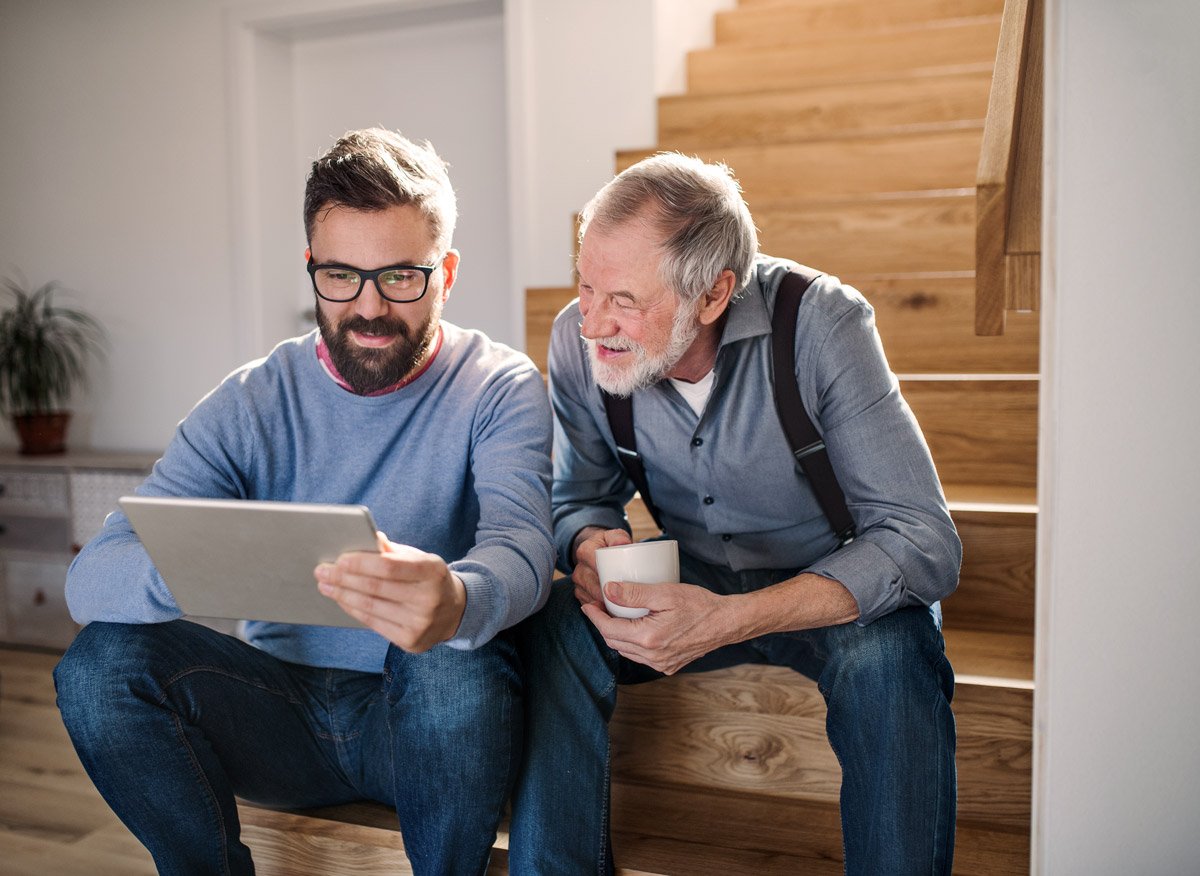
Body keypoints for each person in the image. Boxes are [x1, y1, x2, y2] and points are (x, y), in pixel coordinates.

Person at [54, 128, 555, 876]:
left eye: (402, 278)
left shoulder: (500, 386)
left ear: (445, 273)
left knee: (453, 656)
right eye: (342, 277)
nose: (370, 307)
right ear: (311, 269)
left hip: (422, 718)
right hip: (275, 714)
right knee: (97, 667)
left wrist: (458, 596)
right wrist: (201, 563)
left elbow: (523, 545)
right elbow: (89, 579)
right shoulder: (253, 399)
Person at [507, 152, 961, 875]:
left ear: (714, 295)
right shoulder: (577, 337)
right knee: (557, 624)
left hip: (830, 587)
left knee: (891, 655)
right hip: (696, 572)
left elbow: (923, 541)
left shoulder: (821, 323)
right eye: (584, 286)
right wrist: (593, 545)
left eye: (622, 298)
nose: (593, 322)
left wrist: (729, 619)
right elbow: (581, 495)